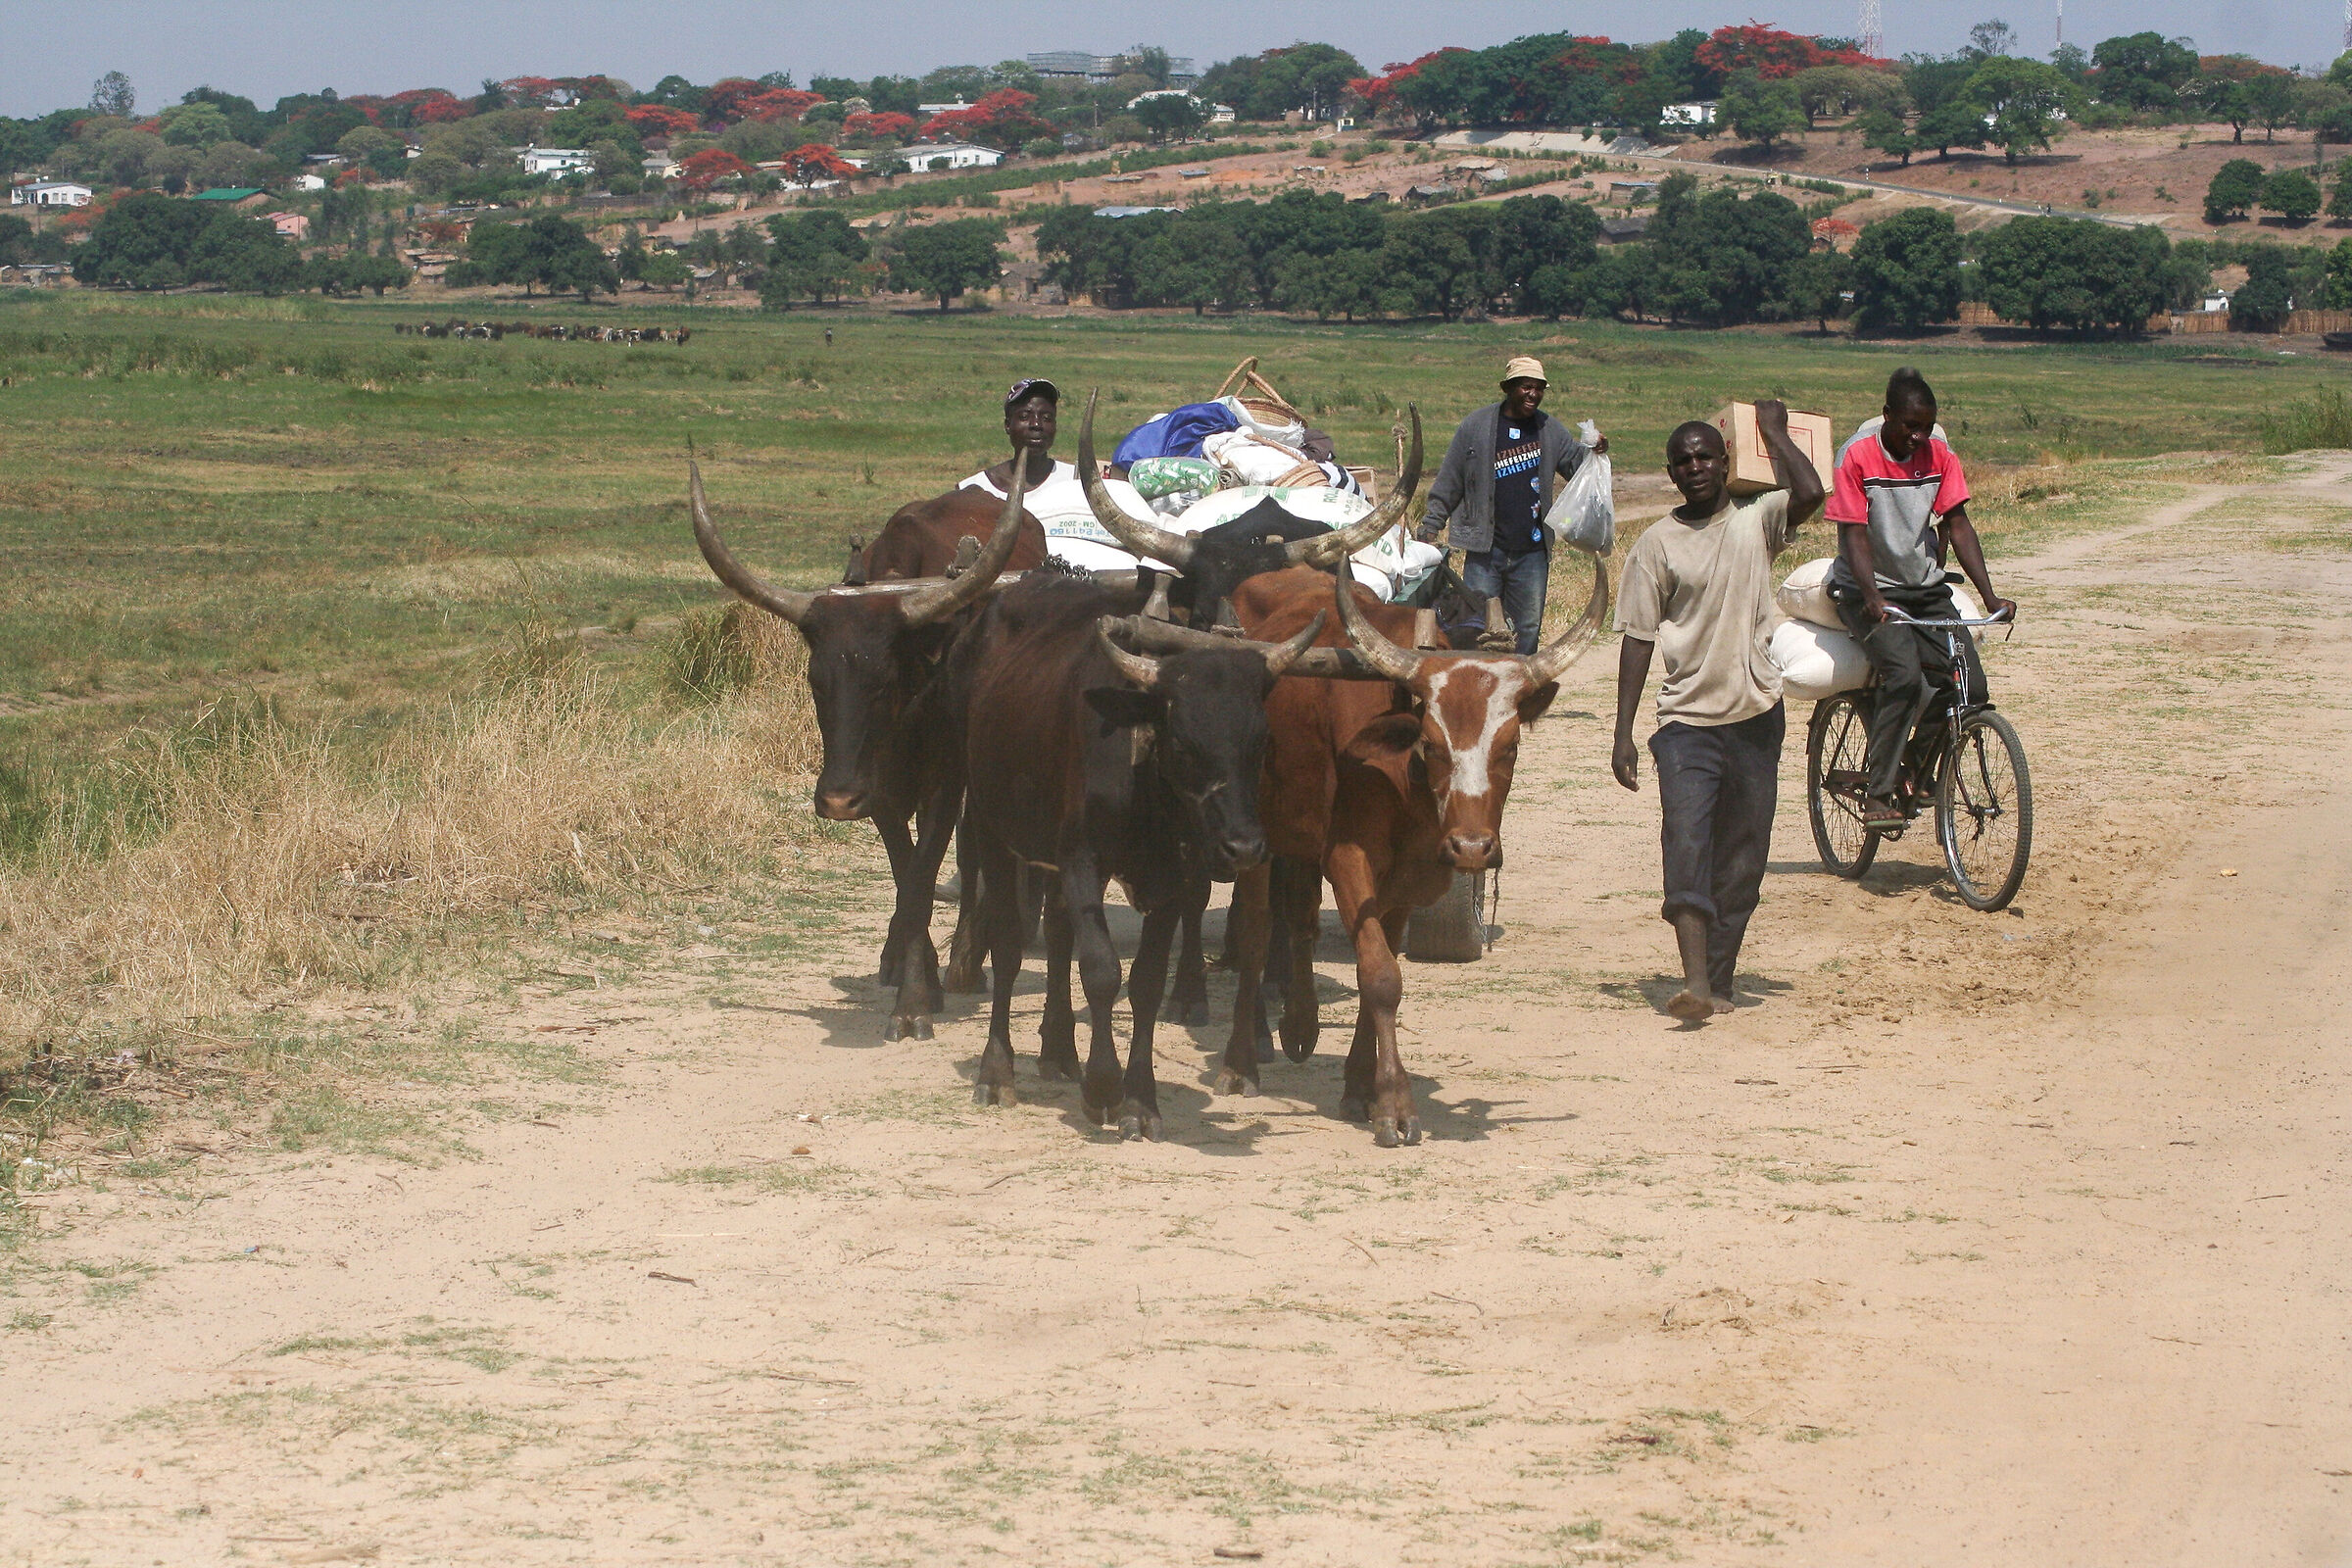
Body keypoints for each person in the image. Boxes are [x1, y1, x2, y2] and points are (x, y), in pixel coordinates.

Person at [1613, 405, 1824, 1022]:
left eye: (1706, 456)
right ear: (1671, 473)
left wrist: (1775, 432)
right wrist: (1624, 732)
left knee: (1742, 861)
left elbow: (1810, 489)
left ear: (1726, 463)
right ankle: (1697, 982)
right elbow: (1637, 639)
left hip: (1757, 716)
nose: (1695, 467)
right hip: (1685, 725)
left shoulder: (1757, 522)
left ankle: (1720, 980)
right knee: (1685, 846)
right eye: (1683, 460)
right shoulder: (1655, 545)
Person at [1824, 368, 2015, 831]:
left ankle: (1913, 767)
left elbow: (1959, 525)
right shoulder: (1857, 457)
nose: (1918, 435)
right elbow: (1853, 534)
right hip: (1864, 590)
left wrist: (1990, 596)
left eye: (1926, 426)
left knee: (1971, 688)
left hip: (1924, 589)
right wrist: (1870, 596)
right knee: (1905, 677)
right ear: (1886, 415)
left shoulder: (1939, 455)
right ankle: (1878, 792)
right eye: (1910, 425)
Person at [1417, 355, 1606, 656]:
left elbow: (1575, 467)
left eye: (1539, 388)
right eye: (1526, 387)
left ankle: (1520, 689)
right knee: (1477, 623)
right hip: (1484, 551)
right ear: (1508, 388)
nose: (1533, 394)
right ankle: (1482, 687)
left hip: (1531, 553)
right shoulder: (1475, 427)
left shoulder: (1550, 429)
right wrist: (1431, 525)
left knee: (1527, 627)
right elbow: (1451, 480)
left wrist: (1593, 452)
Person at [959, 377, 1152, 572]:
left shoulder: (1078, 480)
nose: (1037, 425)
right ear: (1008, 425)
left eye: (1047, 418)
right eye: (1025, 416)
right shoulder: (974, 489)